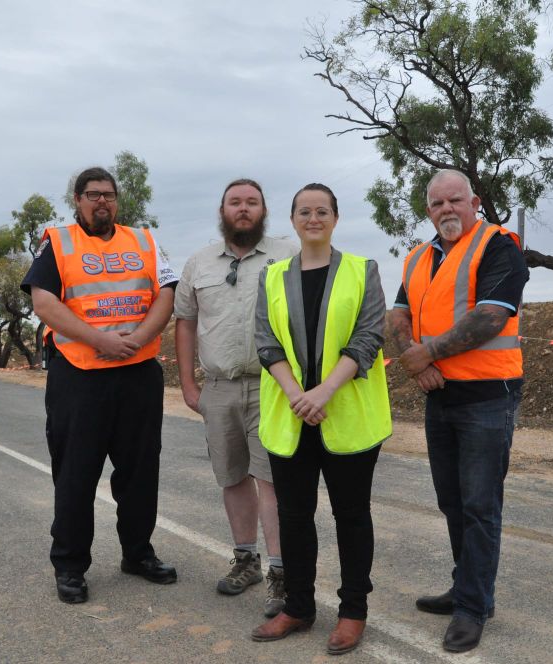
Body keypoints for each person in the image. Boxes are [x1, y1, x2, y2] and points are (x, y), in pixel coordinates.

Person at [20, 166, 179, 604]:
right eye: (93, 195)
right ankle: (70, 566)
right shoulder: (59, 242)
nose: (102, 202)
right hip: (80, 376)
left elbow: (166, 292)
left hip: (137, 373)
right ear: (77, 200)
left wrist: (139, 338)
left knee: (141, 471)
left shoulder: (144, 241)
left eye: (108, 195)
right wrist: (99, 339)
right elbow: (43, 300)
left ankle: (137, 553)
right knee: (75, 474)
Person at [390, 169, 528, 653]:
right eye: (436, 204)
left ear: (474, 202)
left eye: (455, 200)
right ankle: (466, 587)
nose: (446, 209)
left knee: (479, 506)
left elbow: (491, 316)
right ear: (427, 210)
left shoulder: (498, 246)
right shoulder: (418, 257)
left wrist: (427, 354)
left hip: (488, 398)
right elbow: (398, 314)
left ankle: (473, 607)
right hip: (440, 396)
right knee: (452, 502)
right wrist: (415, 360)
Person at [250, 183, 391, 656]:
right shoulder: (271, 277)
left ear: (336, 218)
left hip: (346, 416)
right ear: (291, 220)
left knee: (352, 517)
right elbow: (266, 342)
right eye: (304, 211)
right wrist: (297, 396)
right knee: (294, 517)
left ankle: (353, 611)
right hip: (291, 418)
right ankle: (299, 607)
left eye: (322, 211)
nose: (313, 218)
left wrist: (324, 392)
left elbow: (369, 336)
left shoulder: (362, 271)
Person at [174, 178, 296, 617]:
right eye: (235, 202)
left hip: (272, 387)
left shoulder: (287, 253)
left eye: (252, 202)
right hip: (219, 388)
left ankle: (282, 573)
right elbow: (185, 321)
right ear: (222, 210)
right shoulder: (199, 263)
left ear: (264, 209)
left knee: (271, 480)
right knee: (232, 477)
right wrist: (189, 385)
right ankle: (246, 559)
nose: (243, 209)